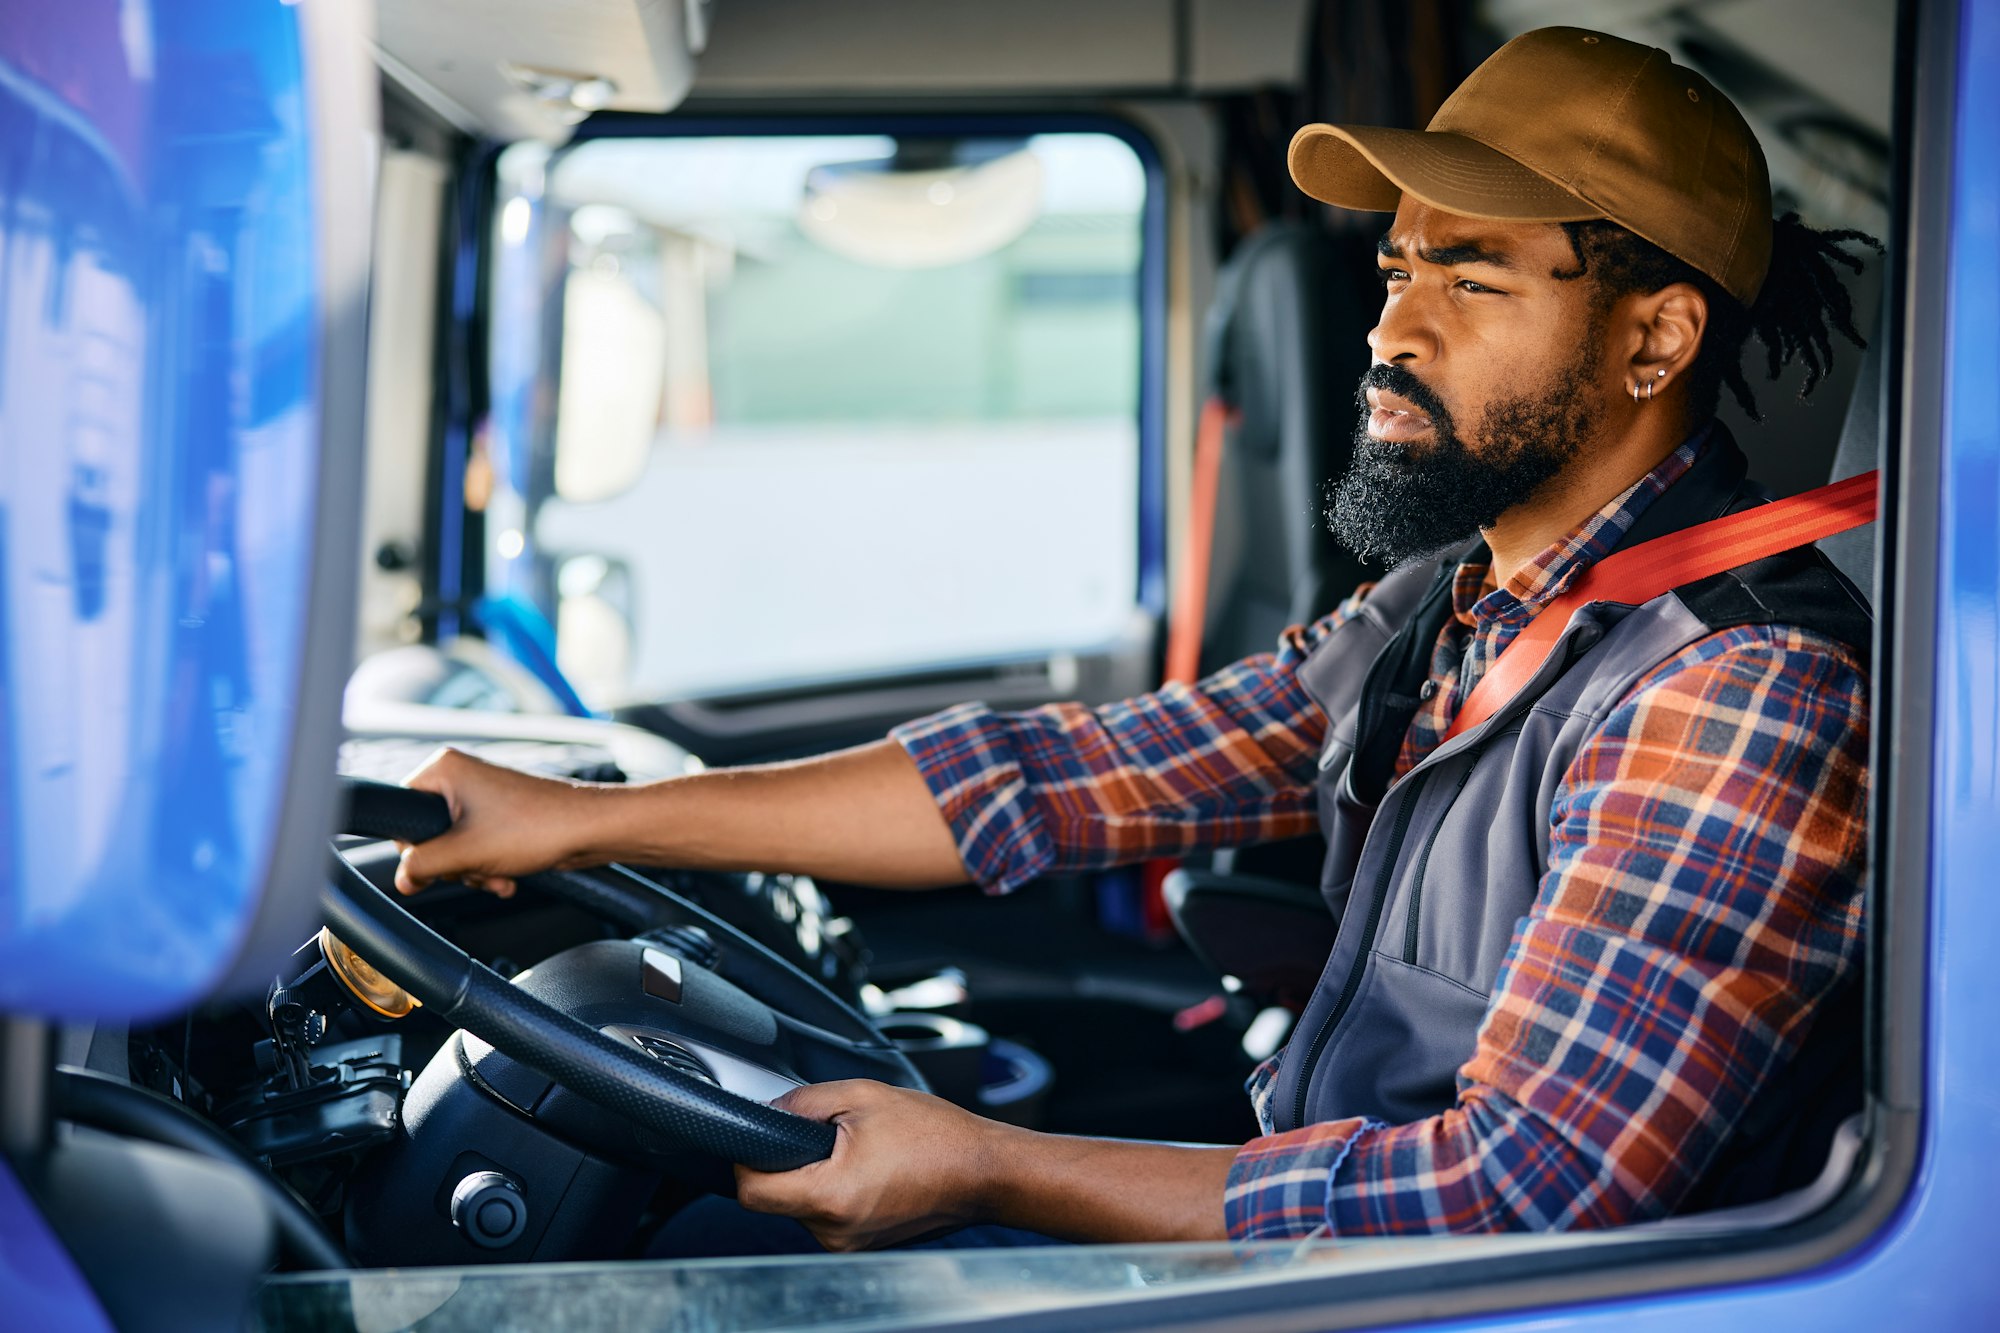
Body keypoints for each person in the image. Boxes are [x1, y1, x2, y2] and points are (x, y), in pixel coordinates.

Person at [393, 27, 1880, 1250]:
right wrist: (590, 823)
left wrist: (985, 1165)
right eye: (1397, 268)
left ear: (1655, 340)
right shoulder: (1461, 601)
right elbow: (1064, 775)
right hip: (1328, 1263)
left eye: (1470, 277)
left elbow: (1516, 1193)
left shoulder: (1733, 685)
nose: (1391, 329)